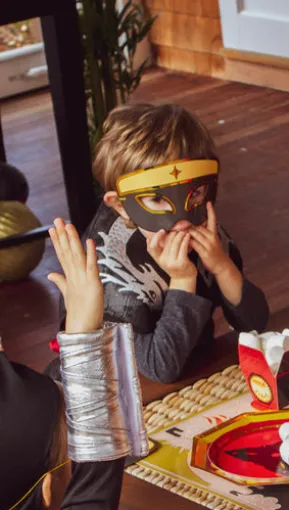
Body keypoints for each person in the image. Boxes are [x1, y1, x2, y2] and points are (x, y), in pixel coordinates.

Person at [1, 219, 148, 510]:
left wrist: (84, 333)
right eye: (76, 452)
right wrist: (85, 336)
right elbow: (100, 473)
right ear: (49, 492)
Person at [52, 103, 270, 383]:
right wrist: (183, 279)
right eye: (157, 200)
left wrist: (222, 266)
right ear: (120, 205)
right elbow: (160, 368)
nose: (180, 221)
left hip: (198, 372)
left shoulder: (199, 226)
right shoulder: (109, 278)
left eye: (195, 193)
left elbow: (256, 323)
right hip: (121, 390)